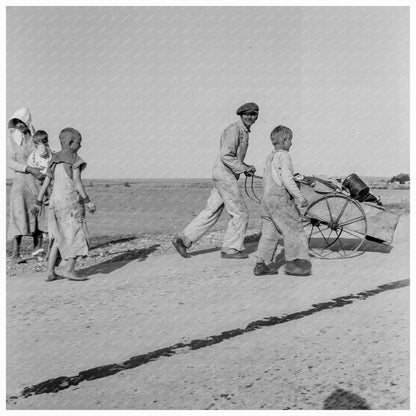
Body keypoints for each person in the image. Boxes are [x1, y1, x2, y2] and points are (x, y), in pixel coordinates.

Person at [172, 102, 259, 259]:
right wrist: (244, 168)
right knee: (240, 212)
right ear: (241, 115)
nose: (250, 117)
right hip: (225, 175)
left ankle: (183, 239)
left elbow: (232, 156)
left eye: (254, 114)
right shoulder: (234, 129)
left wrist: (245, 167)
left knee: (211, 210)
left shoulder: (243, 131)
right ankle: (231, 249)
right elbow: (226, 155)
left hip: (224, 174)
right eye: (247, 114)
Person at [31, 128, 96, 282]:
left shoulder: (54, 159)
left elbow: (46, 182)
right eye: (79, 142)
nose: (80, 146)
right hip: (70, 202)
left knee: (57, 237)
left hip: (55, 202)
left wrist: (38, 202)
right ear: (70, 142)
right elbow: (77, 183)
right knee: (76, 234)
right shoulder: (75, 159)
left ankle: (50, 272)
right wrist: (88, 201)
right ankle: (69, 269)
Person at [253, 125, 312, 276]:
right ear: (285, 140)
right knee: (293, 228)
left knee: (270, 232)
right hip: (280, 199)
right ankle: (294, 263)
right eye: (290, 140)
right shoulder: (284, 156)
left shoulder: (270, 156)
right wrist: (300, 196)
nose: (291, 143)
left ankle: (261, 264)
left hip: (266, 201)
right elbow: (286, 178)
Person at [7, 107, 47, 260]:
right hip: (20, 182)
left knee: (37, 213)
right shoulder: (11, 139)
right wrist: (28, 168)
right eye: (16, 122)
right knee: (19, 213)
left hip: (36, 182)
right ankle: (15, 252)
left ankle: (38, 250)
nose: (19, 125)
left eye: (20, 122)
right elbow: (8, 161)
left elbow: (44, 153)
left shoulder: (36, 137)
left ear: (26, 122)